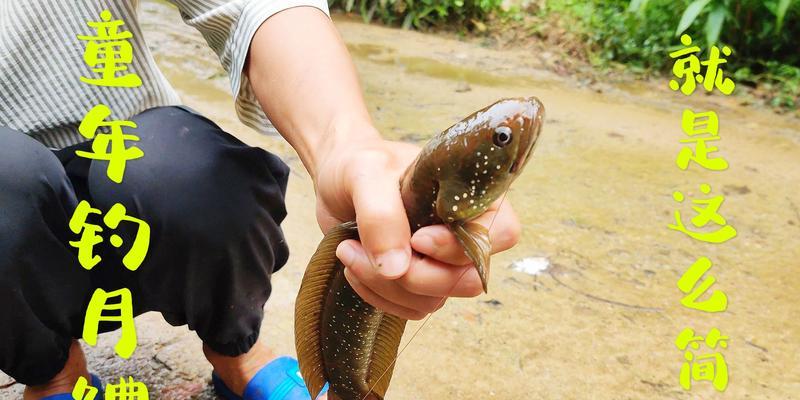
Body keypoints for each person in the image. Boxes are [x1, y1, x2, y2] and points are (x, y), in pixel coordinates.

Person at [0, 1, 521, 399]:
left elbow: (257, 5)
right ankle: (52, 372)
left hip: (126, 150)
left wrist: (344, 140)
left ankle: (236, 350)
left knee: (190, 175)